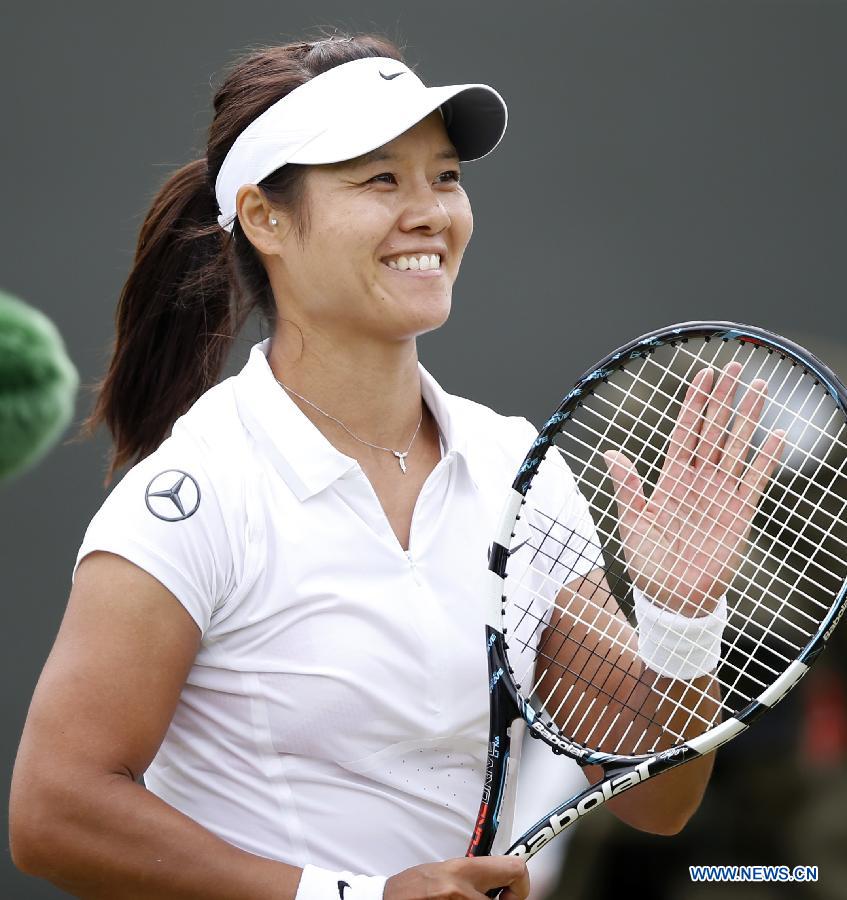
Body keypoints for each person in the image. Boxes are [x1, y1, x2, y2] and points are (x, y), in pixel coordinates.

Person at [9, 32, 776, 900]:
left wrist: (678, 619)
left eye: (444, 176)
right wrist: (355, 897)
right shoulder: (192, 495)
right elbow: (54, 812)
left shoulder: (513, 467)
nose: (429, 212)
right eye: (379, 179)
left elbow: (658, 798)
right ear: (265, 217)